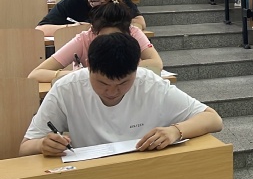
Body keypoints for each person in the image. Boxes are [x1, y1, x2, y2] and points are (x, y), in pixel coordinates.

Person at [19, 33, 223, 157]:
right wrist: (43, 145)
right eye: (102, 83)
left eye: (123, 83)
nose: (112, 92)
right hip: (90, 174)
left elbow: (213, 119)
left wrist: (175, 131)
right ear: (88, 67)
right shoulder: (66, 88)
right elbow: (25, 148)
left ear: (136, 70)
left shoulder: (149, 84)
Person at [29, 0, 163, 82]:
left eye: (118, 37)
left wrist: (121, 69)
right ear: (94, 31)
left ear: (127, 32)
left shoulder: (134, 33)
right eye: (105, 38)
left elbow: (156, 63)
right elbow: (36, 74)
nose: (111, 43)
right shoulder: (84, 39)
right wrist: (78, 74)